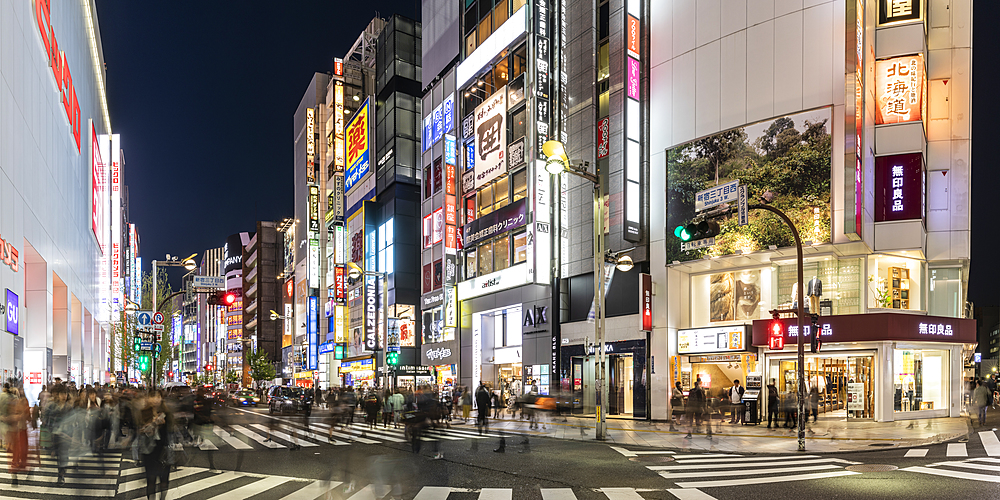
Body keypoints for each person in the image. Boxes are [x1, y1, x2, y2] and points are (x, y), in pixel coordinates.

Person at [138, 390, 173, 500]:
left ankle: (162, 498)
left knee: (164, 481)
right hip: (149, 451)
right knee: (151, 481)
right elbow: (139, 431)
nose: (155, 400)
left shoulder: (167, 413)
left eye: (157, 397)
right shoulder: (144, 413)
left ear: (161, 398)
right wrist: (151, 426)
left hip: (163, 450)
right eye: (152, 397)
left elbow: (171, 431)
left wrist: (163, 425)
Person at [4, 388, 29, 487]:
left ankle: (17, 474)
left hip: (19, 432)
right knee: (15, 455)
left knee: (19, 454)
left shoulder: (21, 402)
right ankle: (15, 476)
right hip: (15, 432)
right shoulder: (13, 403)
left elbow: (26, 416)